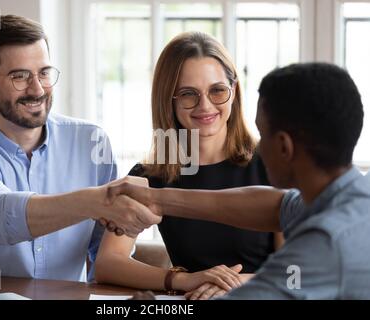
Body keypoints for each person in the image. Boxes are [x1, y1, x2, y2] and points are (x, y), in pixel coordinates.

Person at [107, 62, 370, 299]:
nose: (258, 145)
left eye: (262, 132)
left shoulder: (325, 242)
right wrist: (156, 199)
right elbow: (274, 205)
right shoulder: (351, 198)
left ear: (283, 147)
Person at [0, 15, 160, 282]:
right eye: (20, 76)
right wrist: (96, 201)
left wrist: (175, 281)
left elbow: (103, 257)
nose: (37, 89)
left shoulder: (91, 142)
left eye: (44, 73)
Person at [95, 32, 283, 299]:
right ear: (168, 99)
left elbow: (299, 272)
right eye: (187, 94)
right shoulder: (149, 177)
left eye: (217, 90)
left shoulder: (274, 163)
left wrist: (234, 283)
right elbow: (107, 264)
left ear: (234, 92)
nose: (205, 106)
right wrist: (183, 279)